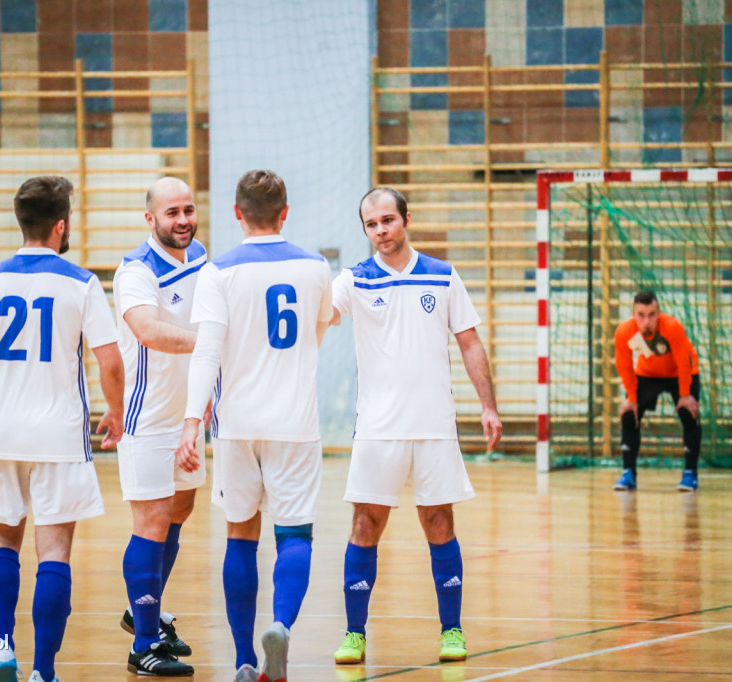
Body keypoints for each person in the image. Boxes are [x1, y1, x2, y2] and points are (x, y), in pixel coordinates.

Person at [0, 176, 125, 682]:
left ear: (21, 222)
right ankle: (43, 671)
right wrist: (114, 411)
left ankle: (1, 651)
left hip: (3, 434)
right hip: (60, 436)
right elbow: (110, 362)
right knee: (54, 552)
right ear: (61, 225)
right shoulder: (81, 283)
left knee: (2, 540)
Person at [329, 186, 502, 666]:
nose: (381, 231)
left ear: (406, 219)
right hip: (378, 429)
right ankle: (354, 634)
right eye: (371, 224)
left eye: (388, 220)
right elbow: (318, 315)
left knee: (440, 524)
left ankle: (452, 630)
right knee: (365, 525)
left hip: (433, 427)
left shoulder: (443, 276)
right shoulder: (354, 280)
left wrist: (488, 407)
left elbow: (469, 343)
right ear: (365, 230)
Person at [176, 170, 332, 682]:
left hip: (238, 423)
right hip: (295, 422)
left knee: (240, 534)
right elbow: (317, 332)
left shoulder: (217, 272)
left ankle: (244, 657)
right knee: (295, 535)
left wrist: (190, 422)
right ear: (286, 212)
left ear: (237, 213)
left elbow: (206, 353)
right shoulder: (315, 268)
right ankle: (281, 627)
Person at [112, 177, 207, 677]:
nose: (184, 220)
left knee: (180, 511)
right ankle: (143, 644)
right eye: (172, 212)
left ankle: (140, 610)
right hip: (147, 419)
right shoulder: (135, 271)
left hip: (188, 418)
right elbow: (148, 331)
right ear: (150, 219)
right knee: (150, 523)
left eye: (189, 209)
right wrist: (210, 343)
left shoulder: (202, 257)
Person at [612, 290, 702, 492]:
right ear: (633, 315)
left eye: (652, 315)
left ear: (658, 313)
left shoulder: (672, 327)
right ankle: (628, 473)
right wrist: (632, 399)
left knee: (689, 413)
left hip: (682, 372)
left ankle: (690, 473)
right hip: (649, 372)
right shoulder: (624, 332)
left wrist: (685, 394)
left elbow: (683, 361)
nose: (647, 321)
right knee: (629, 414)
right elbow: (624, 365)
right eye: (641, 315)